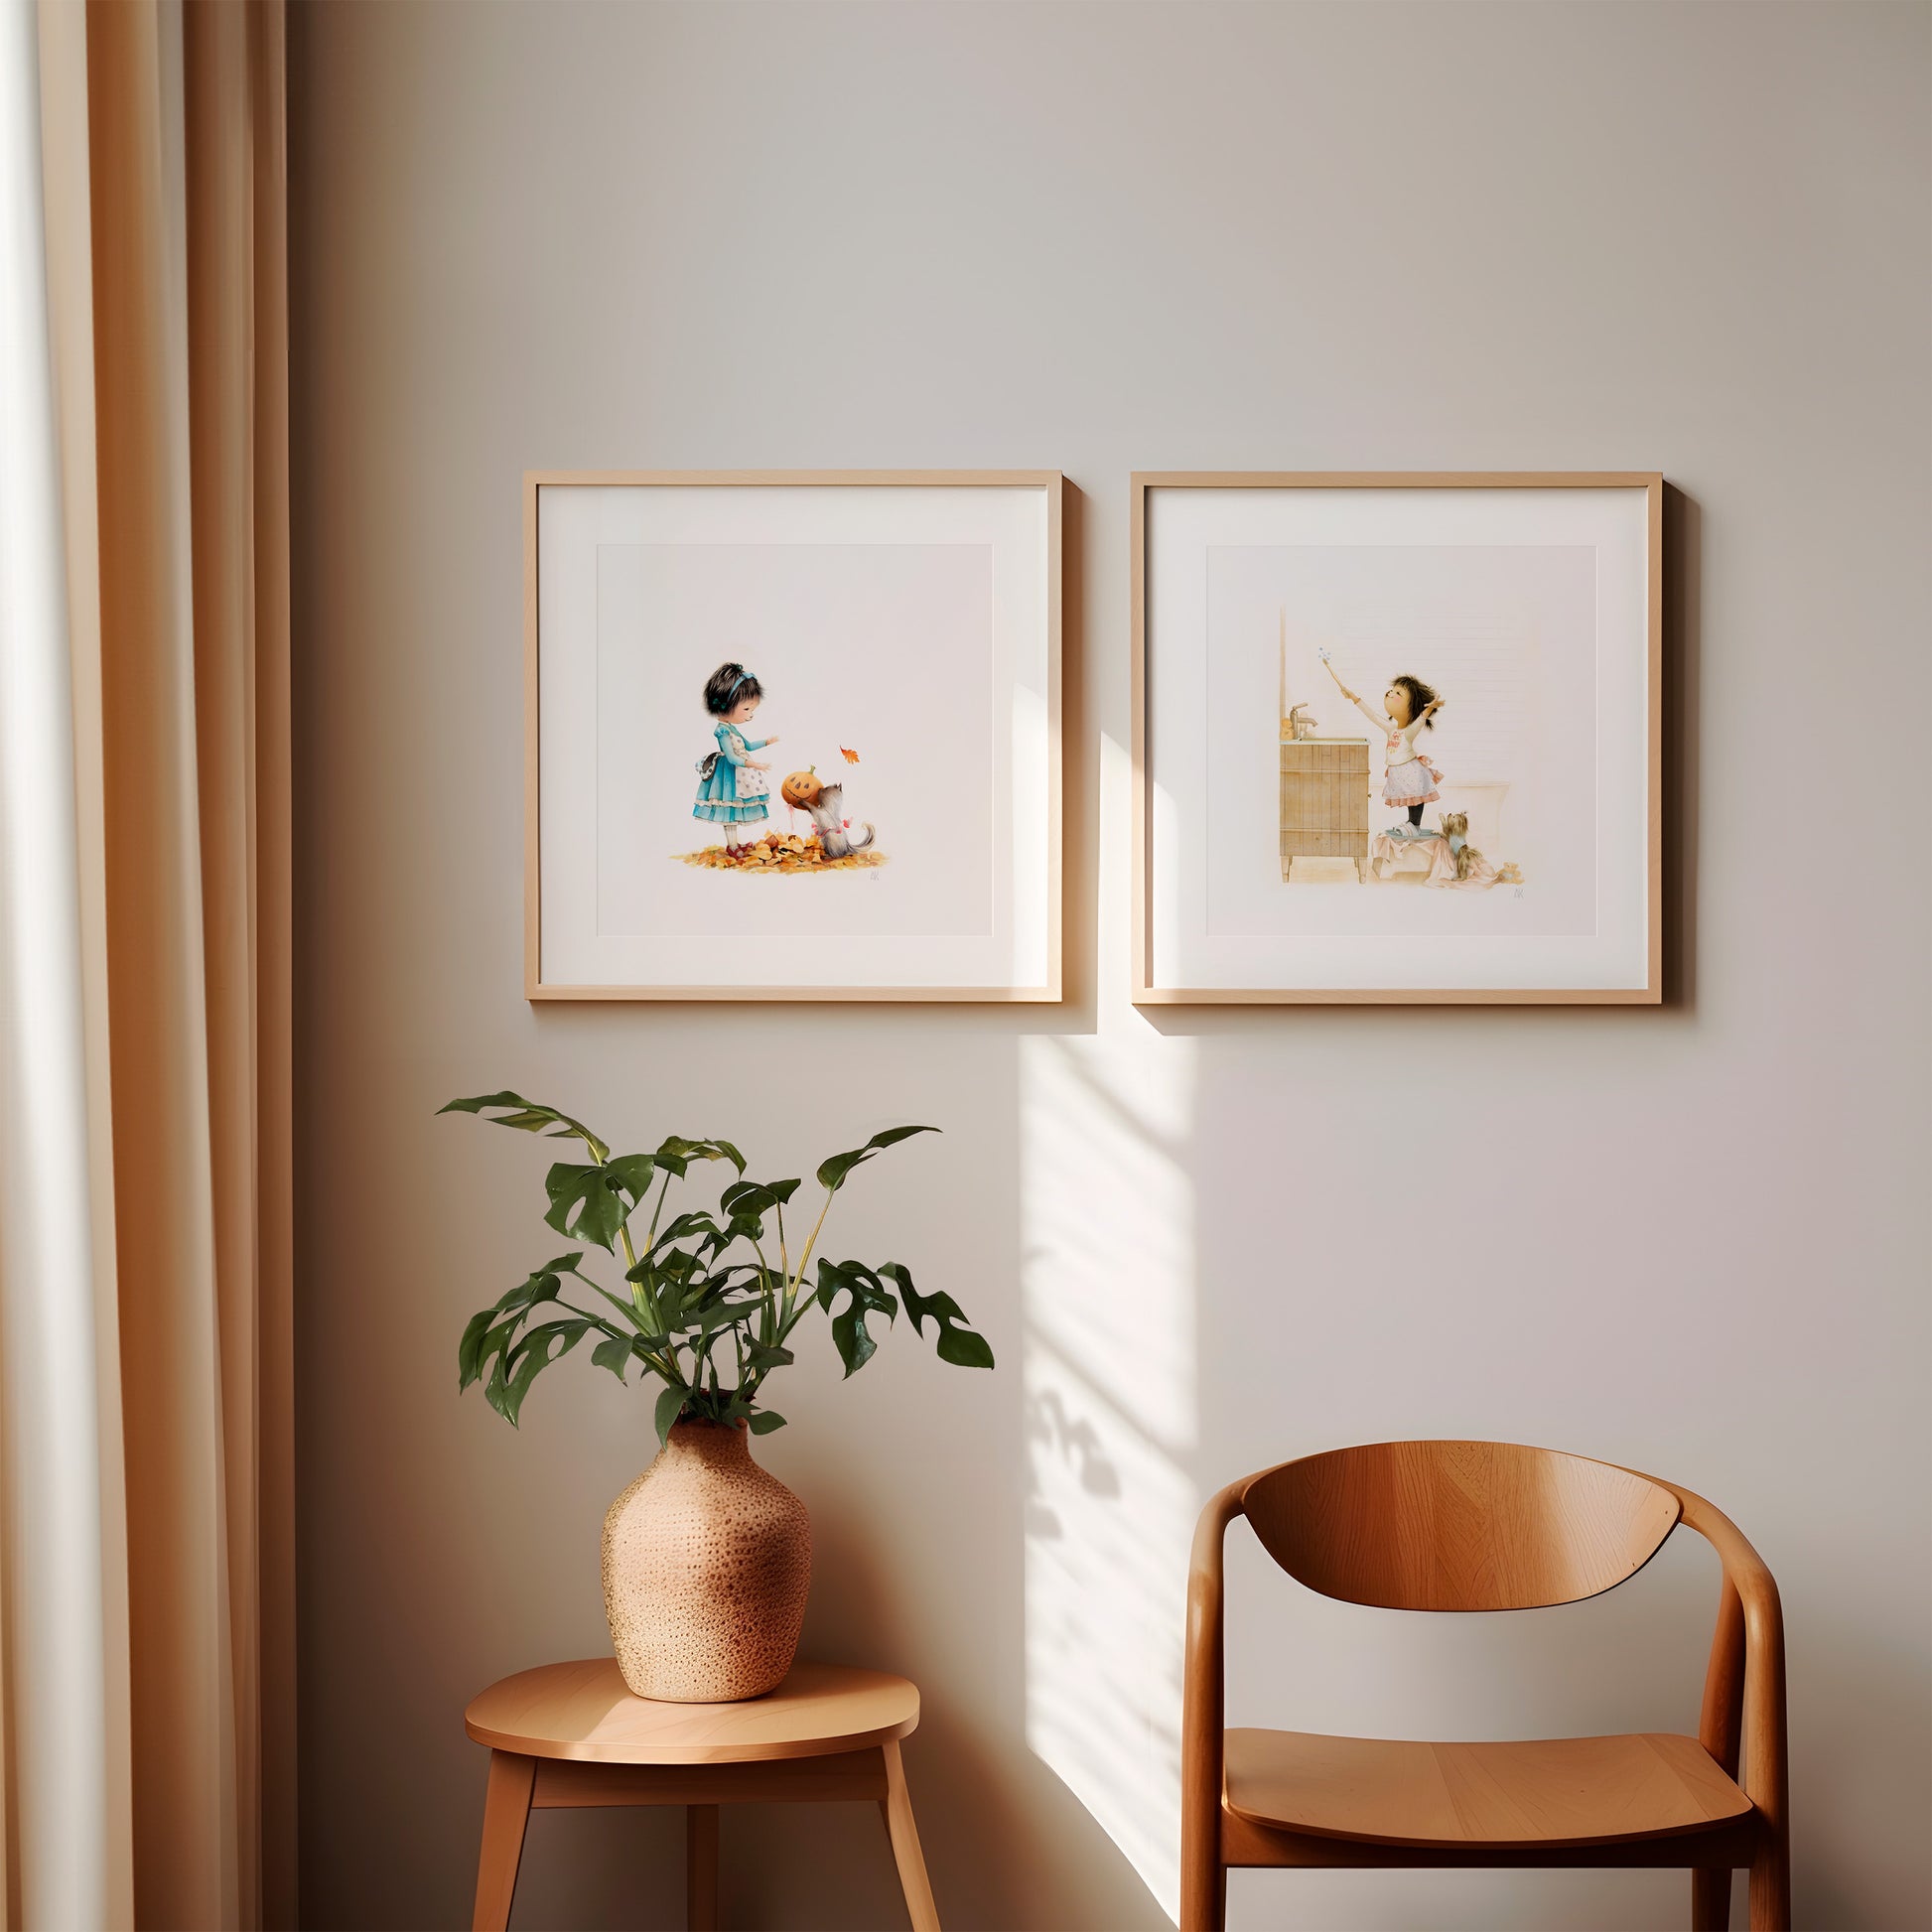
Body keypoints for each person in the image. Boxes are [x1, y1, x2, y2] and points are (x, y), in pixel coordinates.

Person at [1321, 652, 1444, 834]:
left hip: (1410, 769)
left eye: (1398, 693)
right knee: (1411, 797)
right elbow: (1372, 715)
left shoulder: (1408, 732)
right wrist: (1353, 697)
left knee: (1416, 796)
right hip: (1399, 771)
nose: (1390, 693)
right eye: (1392, 690)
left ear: (1411, 707)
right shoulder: (1391, 729)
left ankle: (1414, 825)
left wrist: (1430, 708)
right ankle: (1412, 824)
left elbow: (1420, 719)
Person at [692, 662, 779, 856]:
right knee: (729, 811)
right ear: (725, 705)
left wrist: (767, 742)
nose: (751, 715)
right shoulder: (722, 731)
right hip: (729, 774)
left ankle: (735, 844)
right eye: (747, 709)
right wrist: (755, 765)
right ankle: (732, 846)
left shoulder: (732, 728)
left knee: (735, 810)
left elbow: (747, 746)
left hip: (740, 772)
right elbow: (732, 758)